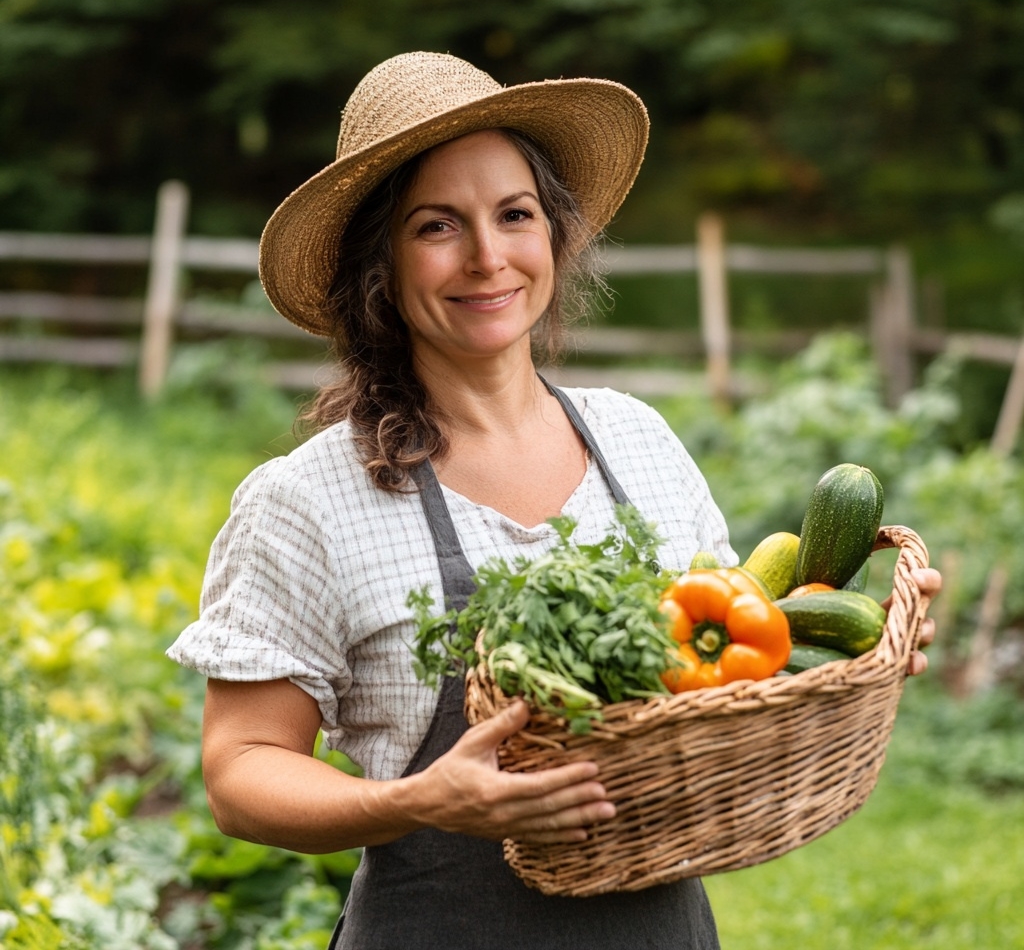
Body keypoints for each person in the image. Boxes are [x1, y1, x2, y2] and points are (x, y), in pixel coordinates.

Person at [167, 52, 939, 949]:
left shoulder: (638, 441)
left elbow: (736, 667)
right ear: (377, 261)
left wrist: (857, 643)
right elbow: (240, 774)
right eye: (436, 226)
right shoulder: (308, 500)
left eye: (515, 214)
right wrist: (419, 801)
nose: (488, 257)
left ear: (554, 234)